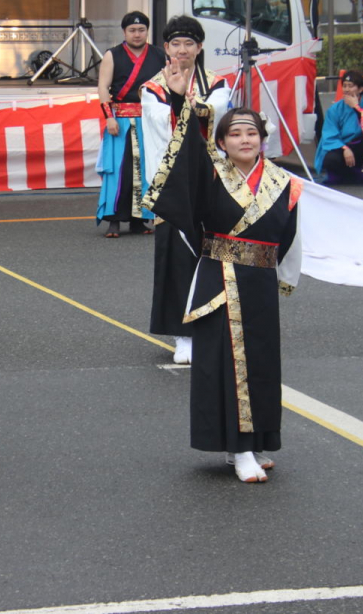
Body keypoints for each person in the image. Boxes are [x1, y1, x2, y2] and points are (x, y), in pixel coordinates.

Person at [143, 106, 301, 483]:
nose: (244, 140)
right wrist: (183, 105)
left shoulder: (284, 182)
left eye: (251, 132)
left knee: (260, 364)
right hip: (221, 281)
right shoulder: (210, 175)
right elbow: (183, 166)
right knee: (230, 367)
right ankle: (239, 448)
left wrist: (282, 276)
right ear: (221, 141)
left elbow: (290, 235)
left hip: (261, 282)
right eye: (235, 134)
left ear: (263, 137)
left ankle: (255, 440)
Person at [141, 15, 232, 365]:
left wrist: (186, 101)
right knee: (178, 256)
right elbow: (158, 125)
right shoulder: (152, 88)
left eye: (189, 44)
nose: (182, 50)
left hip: (212, 180)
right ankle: (183, 333)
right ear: (165, 48)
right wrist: (176, 99)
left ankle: (212, 324)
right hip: (175, 185)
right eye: (175, 44)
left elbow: (219, 114)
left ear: (200, 47)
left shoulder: (218, 83)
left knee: (215, 253)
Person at [95, 12, 167, 238]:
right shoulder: (112, 55)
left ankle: (140, 219)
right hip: (121, 120)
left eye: (141, 30)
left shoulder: (159, 54)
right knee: (119, 170)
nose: (137, 34)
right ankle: (114, 220)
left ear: (147, 31)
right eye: (132, 30)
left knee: (147, 169)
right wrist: (109, 117)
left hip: (150, 120)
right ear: (124, 32)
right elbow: (103, 88)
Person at [314, 70, 363, 186]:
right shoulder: (335, 109)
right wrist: (344, 148)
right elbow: (329, 133)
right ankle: (344, 173)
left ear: (361, 89)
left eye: (351, 86)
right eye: (344, 86)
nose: (347, 89)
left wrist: (356, 107)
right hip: (343, 146)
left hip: (362, 146)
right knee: (330, 159)